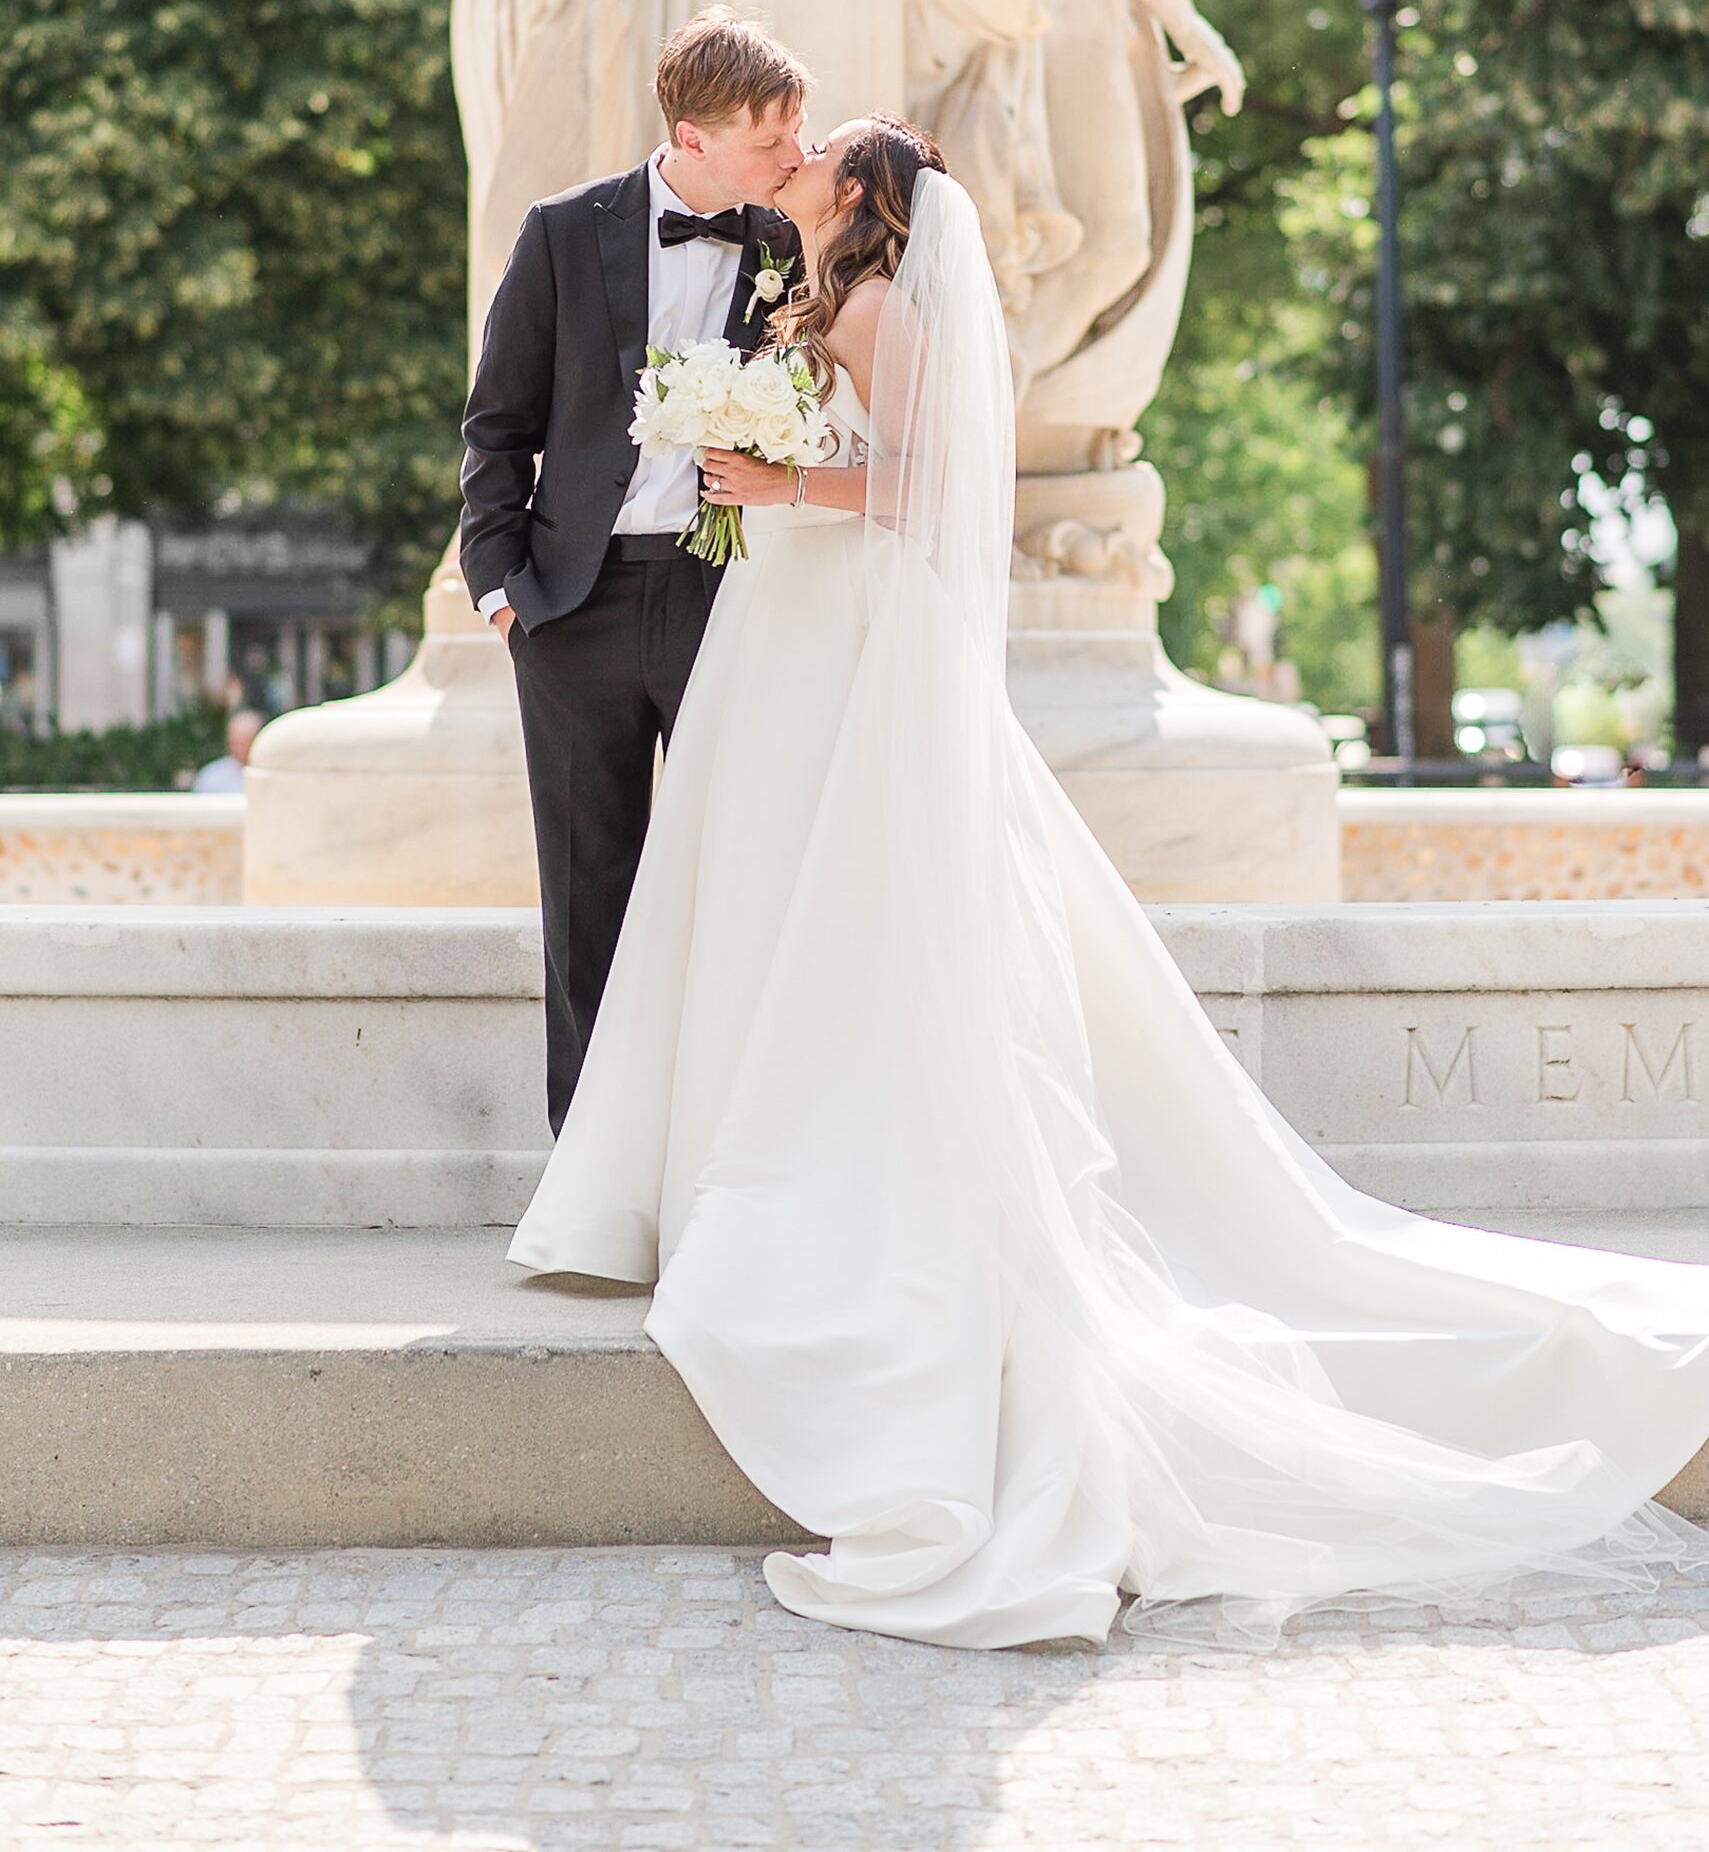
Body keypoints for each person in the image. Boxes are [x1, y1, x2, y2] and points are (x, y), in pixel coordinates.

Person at [506, 115, 1709, 1652]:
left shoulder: (877, 311)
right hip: (787, 639)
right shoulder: (801, 298)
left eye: (816, 161)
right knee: (766, 904)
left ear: (863, 200)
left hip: (847, 629)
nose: (791, 165)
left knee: (853, 915)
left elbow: (928, 495)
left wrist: (775, 478)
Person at [459, 9, 807, 1135]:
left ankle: (716, 1155)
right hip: (572, 609)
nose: (793, 163)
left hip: (729, 598)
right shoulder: (562, 233)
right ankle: (591, 1173)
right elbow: (497, 422)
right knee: (587, 894)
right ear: (694, 137)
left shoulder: (790, 243)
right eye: (771, 145)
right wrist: (500, 586)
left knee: (732, 883)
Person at [191, 706, 264, 794]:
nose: (239, 748)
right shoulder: (210, 777)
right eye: (236, 741)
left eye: (245, 742)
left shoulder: (274, 775)